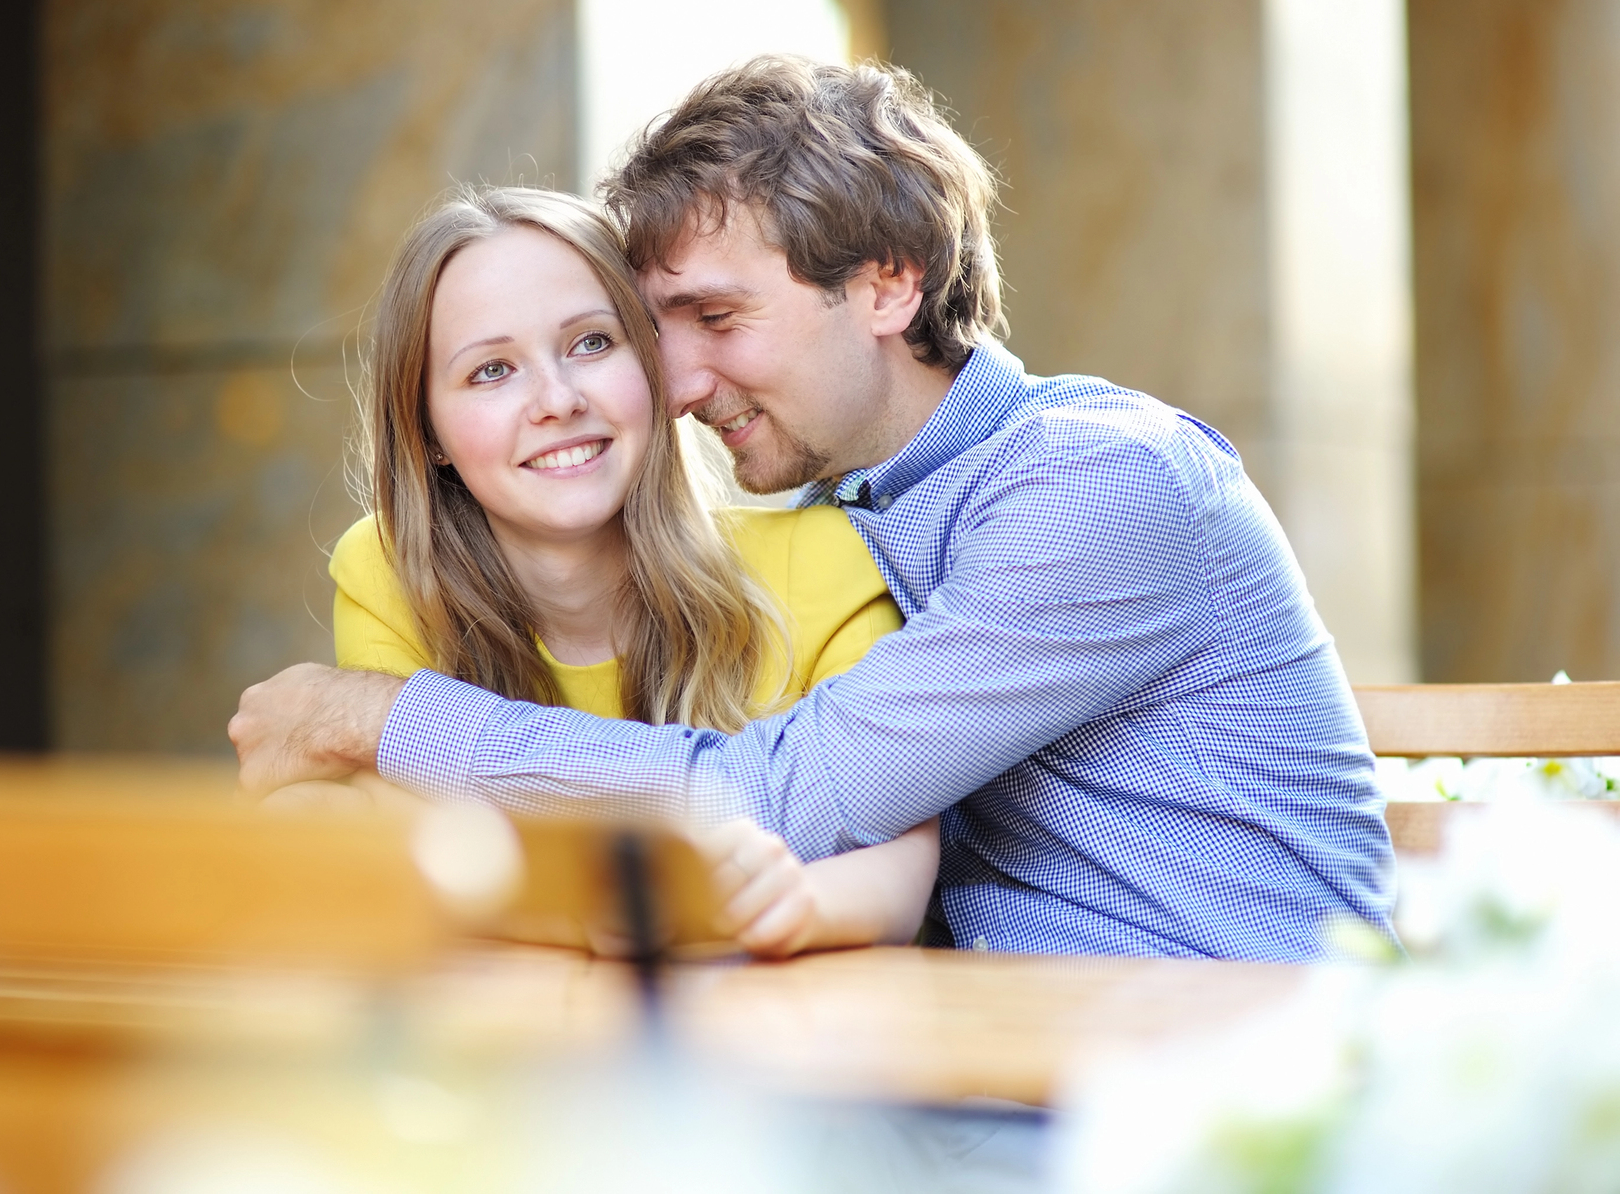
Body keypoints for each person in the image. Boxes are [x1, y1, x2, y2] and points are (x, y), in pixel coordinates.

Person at [233, 56, 1396, 960]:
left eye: (717, 321)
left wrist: (377, 716)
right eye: (657, 333)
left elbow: (771, 797)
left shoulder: (1098, 486)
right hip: (991, 1055)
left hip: (1231, 1086)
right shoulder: (860, 510)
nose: (676, 387)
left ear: (886, 282)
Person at [328, 184, 936, 958]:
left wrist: (776, 903)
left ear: (652, 368)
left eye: (591, 343)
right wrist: (621, 912)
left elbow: (900, 867)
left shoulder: (822, 563)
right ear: (428, 430)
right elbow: (393, 835)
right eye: (490, 371)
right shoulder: (386, 573)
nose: (556, 400)